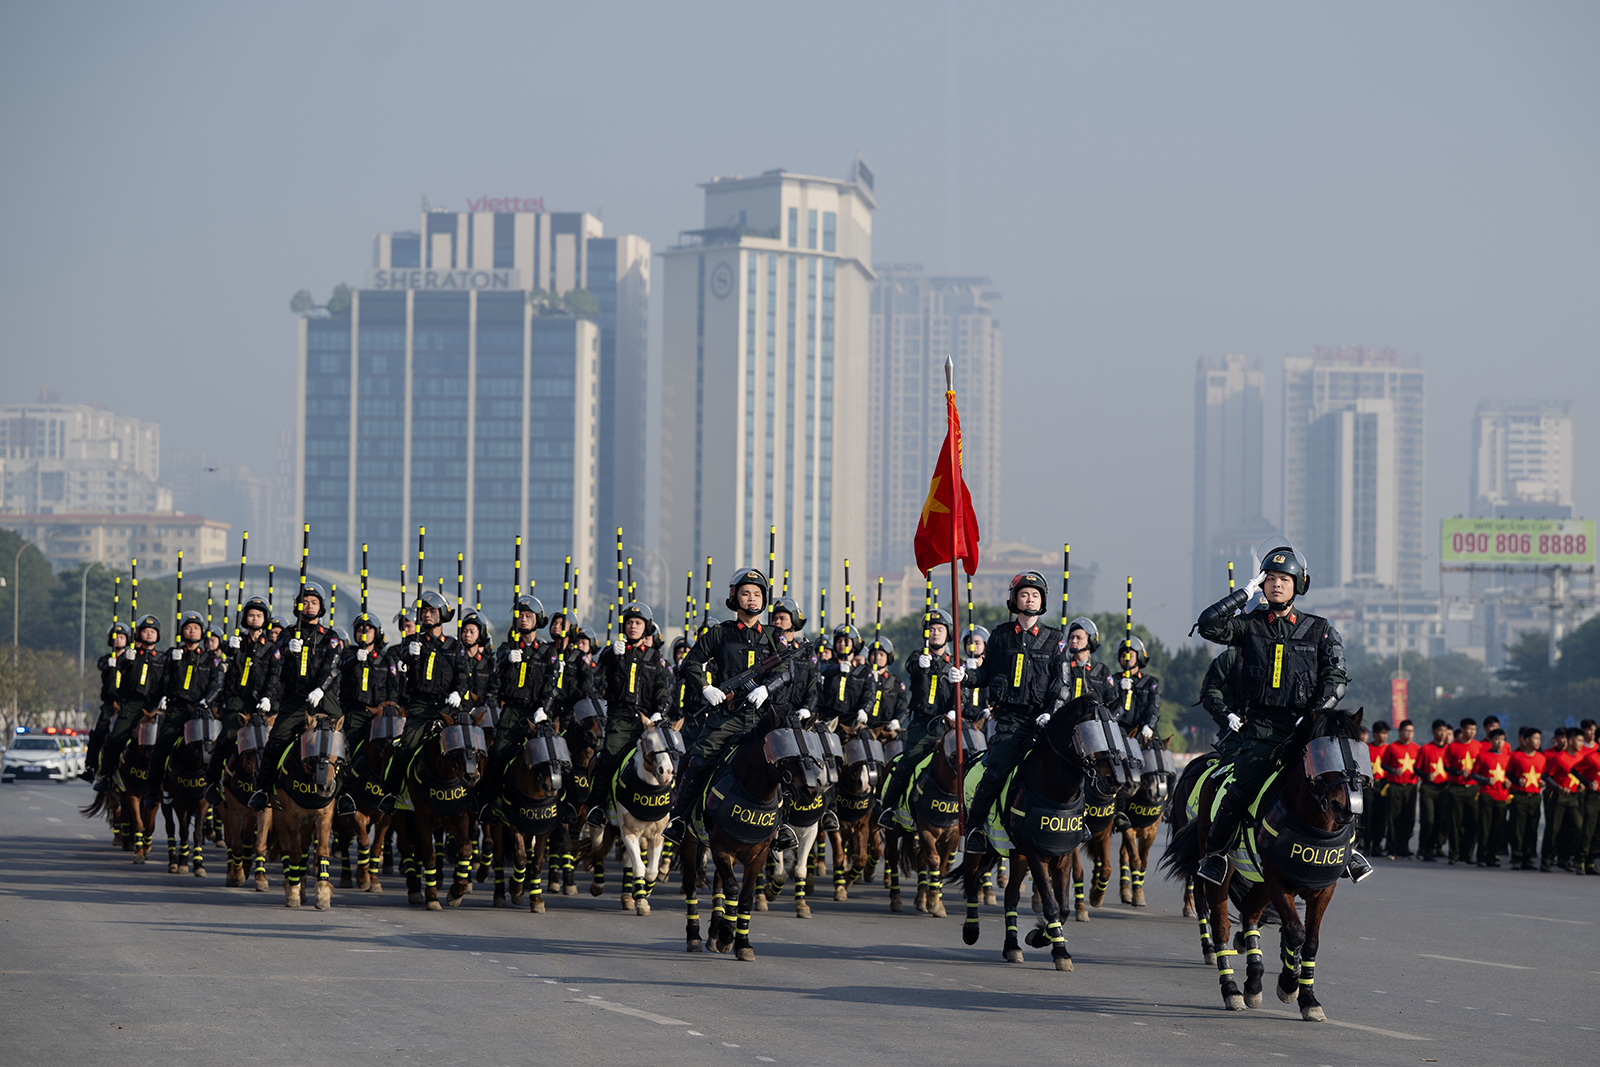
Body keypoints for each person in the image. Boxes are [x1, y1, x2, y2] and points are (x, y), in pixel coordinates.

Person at [1192, 546, 1364, 886]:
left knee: (1347, 778)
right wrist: (1244, 593)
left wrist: (1317, 715)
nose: (1276, 585)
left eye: (1284, 579)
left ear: (1298, 584)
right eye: (1270, 578)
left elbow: (1336, 678)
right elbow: (1208, 625)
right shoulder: (1249, 625)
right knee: (1241, 787)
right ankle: (1214, 855)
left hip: (1307, 728)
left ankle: (1351, 851)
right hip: (1263, 730)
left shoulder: (1320, 630)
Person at [663, 568, 794, 849]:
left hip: (762, 718)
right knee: (698, 761)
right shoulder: (719, 633)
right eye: (746, 593)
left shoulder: (774, 635)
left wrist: (766, 689)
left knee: (786, 763)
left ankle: (783, 827)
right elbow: (691, 664)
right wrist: (706, 688)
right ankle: (679, 820)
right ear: (735, 597)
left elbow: (786, 670)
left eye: (757, 594)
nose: (752, 598)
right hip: (728, 717)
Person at [965, 572, 1067, 853]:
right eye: (1024, 594)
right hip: (1010, 720)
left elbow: (1063, 682)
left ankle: (1075, 823)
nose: (1030, 598)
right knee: (996, 771)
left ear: (1042, 601)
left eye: (1035, 594)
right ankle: (974, 829)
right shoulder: (1000, 636)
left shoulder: (1055, 639)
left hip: (1044, 720)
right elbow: (984, 675)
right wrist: (965, 676)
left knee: (1071, 766)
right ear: (1014, 600)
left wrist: (1053, 711)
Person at [249, 583, 342, 810]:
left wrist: (320, 689)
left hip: (324, 702)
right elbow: (278, 652)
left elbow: (332, 667)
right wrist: (288, 648)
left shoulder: (331, 637)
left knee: (340, 746)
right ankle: (262, 790)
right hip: (295, 701)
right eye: (305, 602)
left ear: (321, 607)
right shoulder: (289, 633)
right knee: (276, 741)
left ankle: (345, 795)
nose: (309, 606)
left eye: (314, 602)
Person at [377, 589, 465, 812]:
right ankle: (390, 794)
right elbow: (403, 670)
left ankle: (475, 799)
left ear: (442, 615)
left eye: (432, 611)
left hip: (447, 707)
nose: (427, 615)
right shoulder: (411, 643)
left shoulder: (455, 646)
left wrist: (459, 692)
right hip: (420, 707)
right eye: (424, 611)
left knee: (469, 750)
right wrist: (408, 655)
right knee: (405, 749)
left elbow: (464, 675)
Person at [586, 602, 672, 826]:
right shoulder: (615, 652)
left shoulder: (654, 657)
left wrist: (658, 713)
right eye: (630, 623)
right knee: (607, 761)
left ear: (646, 628)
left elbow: (661, 688)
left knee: (666, 759)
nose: (633, 626)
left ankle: (667, 810)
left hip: (646, 723)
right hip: (620, 719)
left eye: (638, 623)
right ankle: (597, 807)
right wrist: (610, 653)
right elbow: (597, 672)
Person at [884, 609, 961, 827]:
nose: (935, 633)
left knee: (964, 766)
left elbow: (963, 691)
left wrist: (957, 707)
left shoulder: (956, 662)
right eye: (931, 630)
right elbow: (911, 667)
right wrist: (920, 665)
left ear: (948, 634)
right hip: (921, 726)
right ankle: (888, 808)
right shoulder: (918, 656)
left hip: (948, 726)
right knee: (906, 764)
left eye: (940, 629)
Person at [148, 610, 227, 796]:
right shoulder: (171, 655)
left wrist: (205, 701)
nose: (192, 631)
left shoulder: (211, 658)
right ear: (182, 631)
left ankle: (216, 787)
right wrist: (171, 663)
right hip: (178, 709)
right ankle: (154, 791)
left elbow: (218, 684)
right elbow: (162, 680)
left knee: (217, 749)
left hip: (202, 710)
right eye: (188, 628)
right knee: (160, 747)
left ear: (202, 633)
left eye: (196, 628)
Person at [96, 614, 168, 788]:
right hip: (132, 705)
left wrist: (166, 697)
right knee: (115, 738)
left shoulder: (163, 658)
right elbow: (116, 676)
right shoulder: (129, 656)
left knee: (167, 741)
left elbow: (169, 680)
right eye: (145, 631)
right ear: (138, 634)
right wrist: (124, 661)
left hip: (154, 706)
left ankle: (166, 778)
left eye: (153, 631)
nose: (149, 634)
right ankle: (106, 775)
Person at [81, 622, 130, 782]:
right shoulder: (106, 659)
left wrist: (125, 662)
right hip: (109, 705)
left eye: (122, 637)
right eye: (115, 637)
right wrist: (110, 665)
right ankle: (91, 767)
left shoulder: (131, 658)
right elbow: (100, 665)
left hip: (126, 704)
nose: (118, 640)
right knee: (97, 734)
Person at [1541, 730, 1584, 871]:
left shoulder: (1581, 757)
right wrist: (1558, 787)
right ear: (1571, 741)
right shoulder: (1559, 758)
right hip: (1558, 796)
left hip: (1573, 797)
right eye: (1578, 741)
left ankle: (1564, 857)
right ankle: (1545, 859)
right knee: (1553, 829)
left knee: (1577, 826)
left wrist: (1583, 783)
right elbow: (1546, 776)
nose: (1581, 744)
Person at [1505, 728, 1546, 870]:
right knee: (1517, 828)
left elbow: (1544, 775)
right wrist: (1517, 781)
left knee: (1532, 828)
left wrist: (1543, 782)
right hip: (1519, 796)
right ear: (1526, 740)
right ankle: (1517, 857)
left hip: (1534, 797)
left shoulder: (1542, 758)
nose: (1538, 742)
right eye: (1535, 738)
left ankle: (1528, 857)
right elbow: (1508, 774)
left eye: (1539, 739)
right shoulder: (1517, 757)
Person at [1382, 720, 1421, 858]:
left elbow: (1420, 768)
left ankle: (1403, 847)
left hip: (1410, 787)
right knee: (1393, 819)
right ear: (1400, 732)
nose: (1408, 734)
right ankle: (1392, 848)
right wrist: (1392, 771)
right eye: (1405, 731)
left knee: (1408, 818)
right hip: (1395, 787)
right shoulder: (1392, 747)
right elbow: (1383, 765)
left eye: (1411, 731)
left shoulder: (1417, 748)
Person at [1472, 729, 1511, 867]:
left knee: (1497, 828)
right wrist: (1485, 780)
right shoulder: (1483, 756)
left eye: (1502, 739)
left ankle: (1492, 856)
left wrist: (1509, 782)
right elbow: (1473, 774)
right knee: (1485, 827)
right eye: (1496, 739)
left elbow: (1511, 776)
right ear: (1491, 740)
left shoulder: (1508, 757)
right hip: (1487, 794)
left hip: (1502, 796)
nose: (1499, 742)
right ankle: (1481, 857)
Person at [1113, 635, 1162, 746]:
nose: (1125, 658)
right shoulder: (1114, 680)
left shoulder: (1150, 682)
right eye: (1123, 655)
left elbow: (1154, 707)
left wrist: (1150, 725)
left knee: (1157, 752)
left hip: (1144, 732)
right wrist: (1118, 688)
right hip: (1119, 732)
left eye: (1130, 655)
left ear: (1139, 657)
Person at [1445, 721, 1482, 865]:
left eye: (1474, 729)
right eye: (1469, 729)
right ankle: (1454, 854)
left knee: (1473, 822)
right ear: (1462, 729)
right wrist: (1458, 772)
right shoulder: (1453, 746)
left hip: (1473, 788)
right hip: (1456, 788)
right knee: (1454, 823)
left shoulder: (1478, 746)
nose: (1471, 732)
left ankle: (1467, 854)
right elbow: (1446, 766)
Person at [1418, 719, 1452, 861]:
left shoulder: (1449, 749)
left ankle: (1432, 848)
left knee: (1439, 820)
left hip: (1444, 789)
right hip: (1428, 788)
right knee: (1428, 820)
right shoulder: (1426, 748)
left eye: (1444, 731)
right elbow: (1416, 768)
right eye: (1439, 730)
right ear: (1433, 732)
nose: (1442, 734)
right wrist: (1426, 775)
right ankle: (1423, 848)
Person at [1063, 617, 1116, 707]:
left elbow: (1112, 701)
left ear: (1090, 641)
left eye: (1079, 638)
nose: (1074, 641)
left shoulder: (1102, 671)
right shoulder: (1064, 667)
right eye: (1071, 637)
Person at [857, 637, 905, 732]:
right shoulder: (861, 675)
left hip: (886, 729)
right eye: (874, 654)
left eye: (881, 655)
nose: (877, 658)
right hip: (863, 727)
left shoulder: (895, 682)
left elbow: (902, 706)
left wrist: (898, 720)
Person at [1571, 741, 1600, 875]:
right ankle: (1580, 860)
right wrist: (1587, 783)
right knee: (1588, 830)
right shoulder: (1591, 757)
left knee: (1598, 832)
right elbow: (1574, 770)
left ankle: (1591, 861)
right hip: (1593, 798)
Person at [1365, 721, 1390, 856]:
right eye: (1382, 733)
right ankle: (1366, 844)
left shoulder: (1388, 749)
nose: (1384, 736)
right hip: (1369, 785)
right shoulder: (1366, 748)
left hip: (1383, 785)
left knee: (1381, 816)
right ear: (1375, 734)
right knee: (1368, 815)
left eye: (1386, 733)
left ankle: (1377, 844)